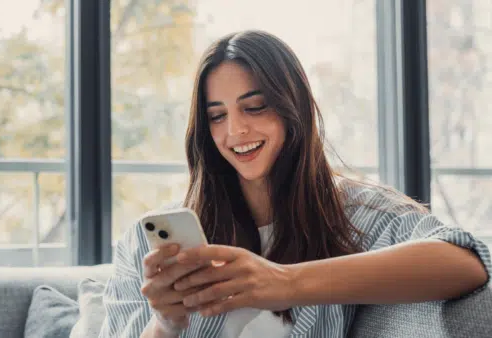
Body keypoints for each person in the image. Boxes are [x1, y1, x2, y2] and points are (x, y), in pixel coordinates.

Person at [98, 30, 491, 338]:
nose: (235, 130)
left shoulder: (356, 216)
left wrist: (285, 283)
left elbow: (467, 263)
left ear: (293, 108)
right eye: (216, 116)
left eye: (255, 107)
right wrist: (166, 325)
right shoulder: (147, 244)